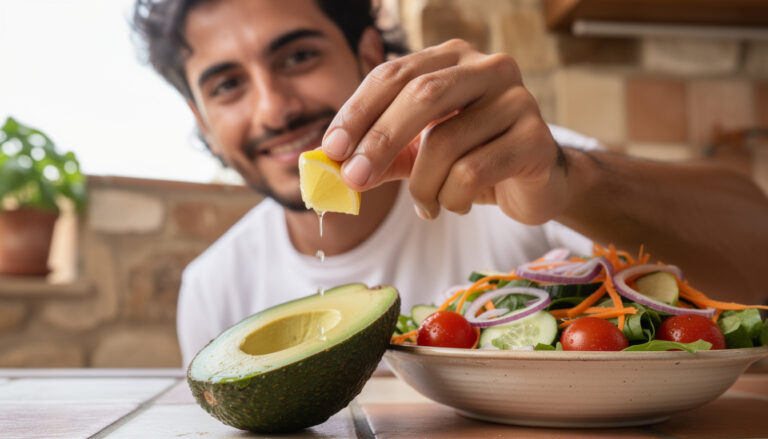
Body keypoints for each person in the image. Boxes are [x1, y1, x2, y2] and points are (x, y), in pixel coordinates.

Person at [132, 0, 768, 366]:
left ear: (365, 57)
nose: (273, 108)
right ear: (202, 120)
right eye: (227, 85)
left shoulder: (517, 162)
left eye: (297, 56)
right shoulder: (213, 290)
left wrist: (574, 182)